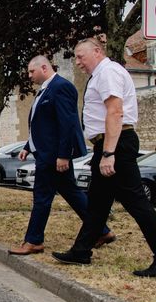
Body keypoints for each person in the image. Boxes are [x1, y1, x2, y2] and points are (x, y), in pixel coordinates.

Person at [52, 38, 156, 278]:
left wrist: (108, 153)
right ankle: (81, 251)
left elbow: (115, 111)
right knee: (97, 203)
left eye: (81, 56)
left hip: (116, 144)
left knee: (136, 202)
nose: (77, 62)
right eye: (76, 58)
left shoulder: (108, 72)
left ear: (97, 52)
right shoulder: (100, 74)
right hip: (108, 144)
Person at [9, 55, 115, 255]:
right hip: (47, 153)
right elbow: (43, 126)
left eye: (32, 72)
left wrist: (64, 155)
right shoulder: (46, 90)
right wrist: (27, 146)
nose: (29, 76)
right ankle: (102, 230)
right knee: (72, 193)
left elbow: (67, 124)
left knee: (41, 197)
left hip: (52, 156)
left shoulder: (61, 87)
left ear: (44, 67)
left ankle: (33, 241)